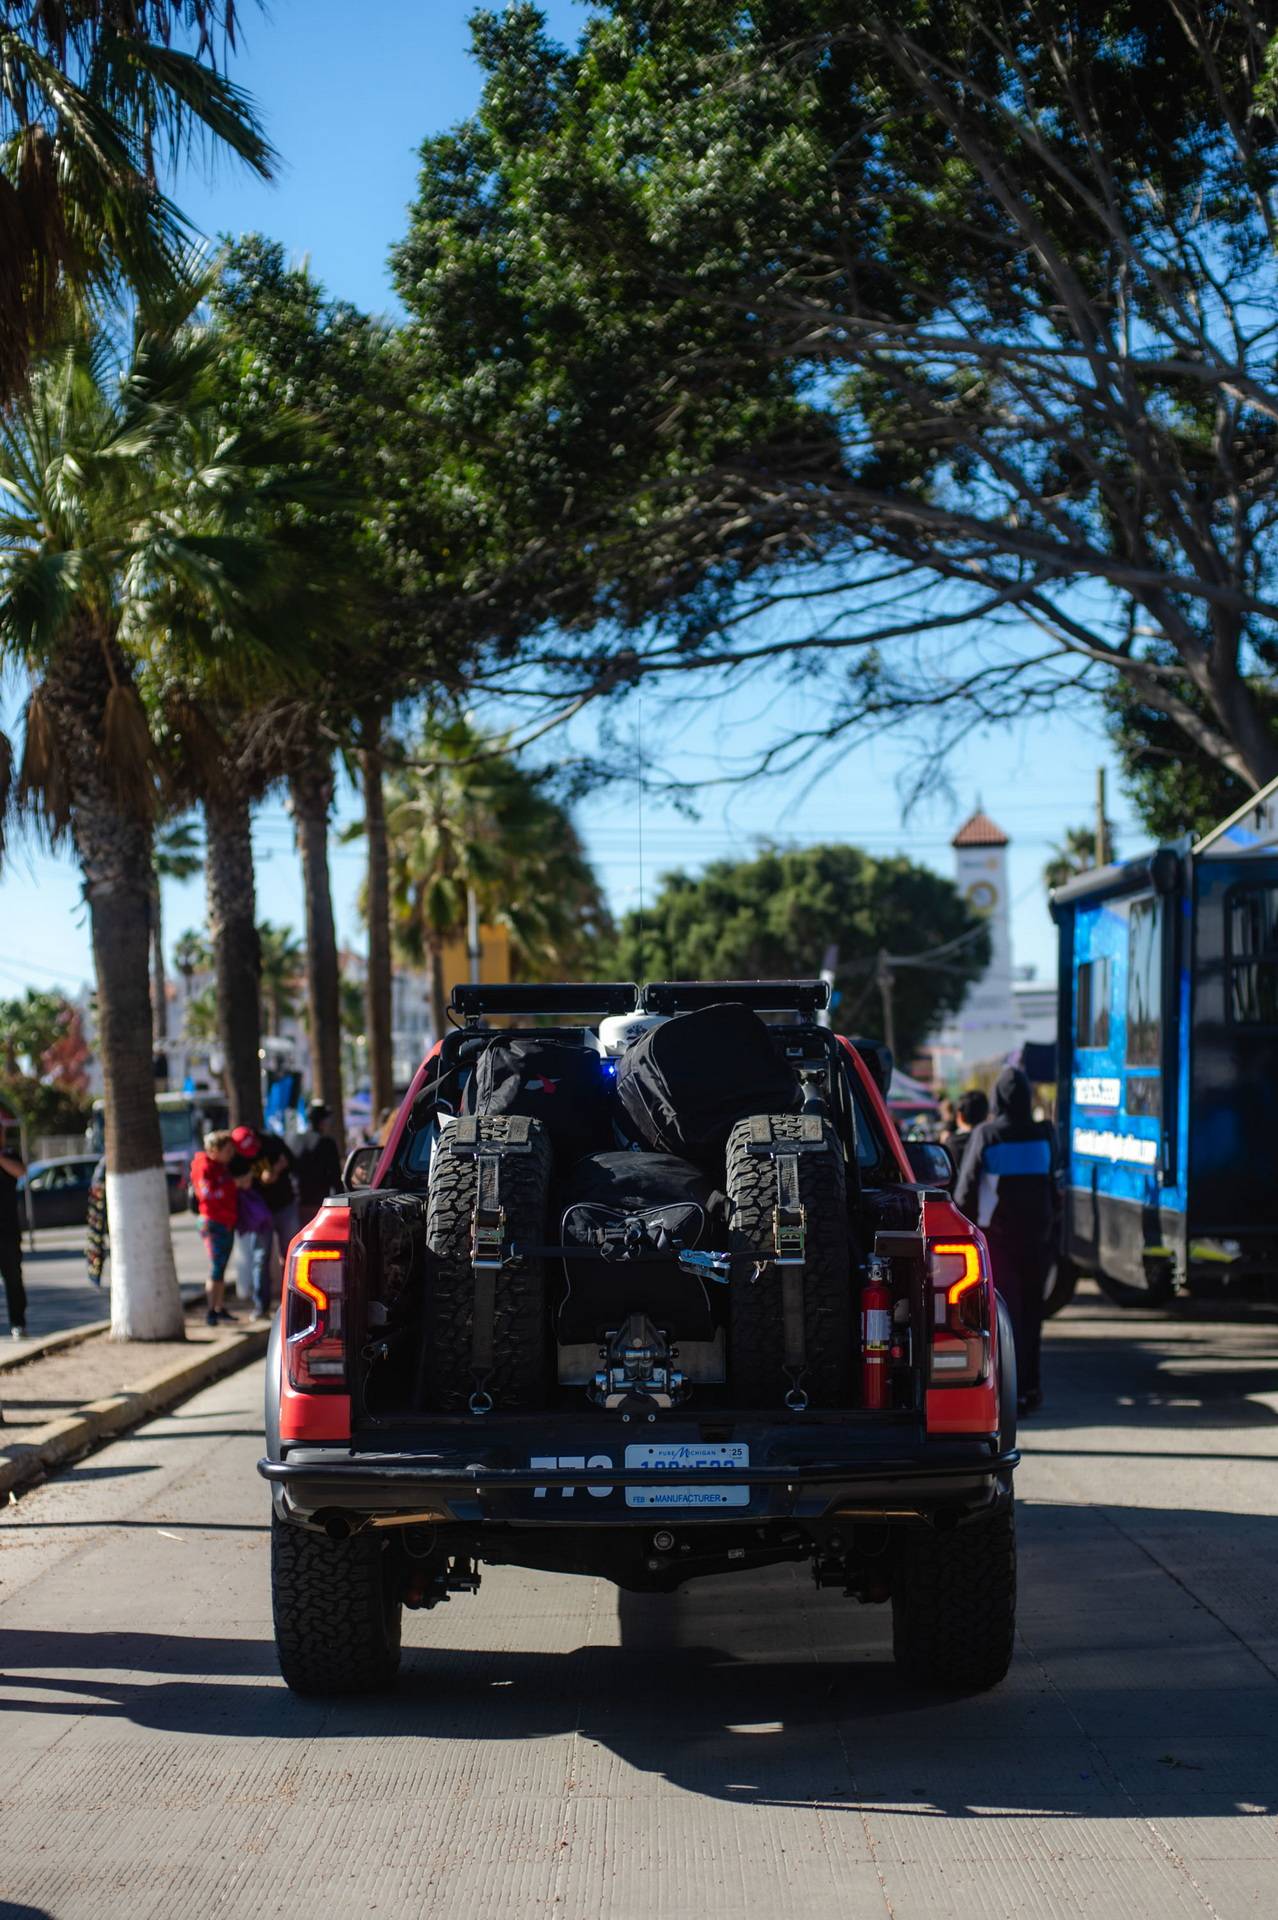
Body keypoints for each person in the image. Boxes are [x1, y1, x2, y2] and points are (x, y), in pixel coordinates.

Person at [954, 1066, 1055, 1416]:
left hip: (998, 1242)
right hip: (1038, 1240)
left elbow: (965, 1190)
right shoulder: (1045, 1133)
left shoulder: (987, 1134)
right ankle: (1031, 1388)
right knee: (1032, 1316)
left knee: (1004, 1319)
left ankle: (1005, 1392)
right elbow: (1055, 1187)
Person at [190, 1129, 239, 1327]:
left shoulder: (221, 1167)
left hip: (226, 1221)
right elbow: (208, 1194)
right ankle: (211, 1310)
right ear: (214, 1150)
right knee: (216, 1268)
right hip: (212, 1222)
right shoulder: (204, 1167)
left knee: (222, 1267)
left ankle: (218, 1307)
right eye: (227, 1150)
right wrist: (233, 1185)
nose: (230, 1155)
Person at [294, 1102, 343, 1224]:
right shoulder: (327, 1143)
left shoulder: (295, 1139)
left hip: (297, 1204)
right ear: (323, 1122)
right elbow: (336, 1176)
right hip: (319, 1204)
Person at [0, 1135, 27, 1339]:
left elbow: (20, 1172)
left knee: (13, 1280)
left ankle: (18, 1323)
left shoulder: (9, 1155)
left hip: (8, 1232)